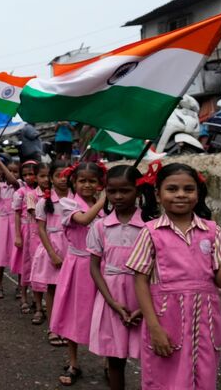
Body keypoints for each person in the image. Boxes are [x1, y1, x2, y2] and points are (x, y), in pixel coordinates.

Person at [126, 163, 221, 389]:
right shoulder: (150, 232)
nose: (181, 194)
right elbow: (140, 281)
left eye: (188, 189)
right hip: (165, 320)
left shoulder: (212, 231)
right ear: (158, 194)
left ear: (198, 194)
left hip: (205, 321)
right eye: (172, 189)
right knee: (164, 379)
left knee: (203, 377)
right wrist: (154, 328)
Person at [87, 165, 157, 390]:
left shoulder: (151, 226)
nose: (117, 196)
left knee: (152, 356)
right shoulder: (100, 226)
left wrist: (144, 308)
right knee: (115, 358)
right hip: (112, 297)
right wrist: (112, 303)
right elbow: (94, 267)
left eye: (125, 190)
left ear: (138, 191)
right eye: (111, 191)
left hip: (145, 297)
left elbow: (159, 268)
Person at [50, 162, 107, 386]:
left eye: (92, 181)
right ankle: (73, 363)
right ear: (74, 182)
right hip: (78, 266)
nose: (87, 185)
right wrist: (104, 200)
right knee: (73, 315)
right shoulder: (68, 203)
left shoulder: (105, 206)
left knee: (104, 315)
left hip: (101, 266)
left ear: (99, 183)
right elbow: (83, 219)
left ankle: (108, 363)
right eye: (82, 180)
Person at [29, 161, 72, 339]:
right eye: (58, 176)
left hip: (72, 247)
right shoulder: (44, 202)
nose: (63, 179)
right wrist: (52, 254)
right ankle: (53, 327)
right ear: (51, 179)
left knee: (70, 289)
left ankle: (68, 327)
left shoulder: (76, 200)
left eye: (66, 175)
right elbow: (41, 229)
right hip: (53, 247)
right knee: (52, 288)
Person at [10, 161, 40, 314]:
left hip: (39, 231)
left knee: (37, 264)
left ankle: (37, 297)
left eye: (31, 174)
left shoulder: (43, 191)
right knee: (24, 265)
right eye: (25, 175)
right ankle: (23, 296)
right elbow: (16, 214)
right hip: (25, 230)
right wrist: (17, 235)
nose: (28, 177)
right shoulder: (20, 192)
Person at [0, 157, 21, 299]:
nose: (12, 174)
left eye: (15, 171)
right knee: (1, 254)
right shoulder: (1, 186)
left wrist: (2, 165)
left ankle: (20, 286)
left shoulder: (19, 186)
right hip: (2, 222)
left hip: (15, 223)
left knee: (18, 253)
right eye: (10, 171)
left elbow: (14, 181)